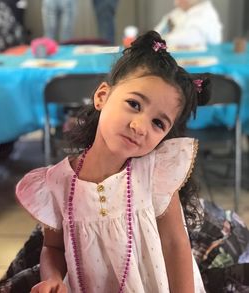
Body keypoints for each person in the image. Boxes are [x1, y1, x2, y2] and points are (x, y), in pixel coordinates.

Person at [16, 30, 211, 292]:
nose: (140, 126)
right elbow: (53, 247)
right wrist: (51, 278)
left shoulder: (154, 173)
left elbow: (175, 243)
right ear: (102, 97)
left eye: (158, 123)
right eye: (134, 104)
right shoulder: (56, 182)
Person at [154, 0, 222, 48]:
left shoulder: (205, 13)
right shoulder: (177, 12)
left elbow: (188, 39)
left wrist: (160, 41)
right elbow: (157, 32)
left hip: (200, 61)